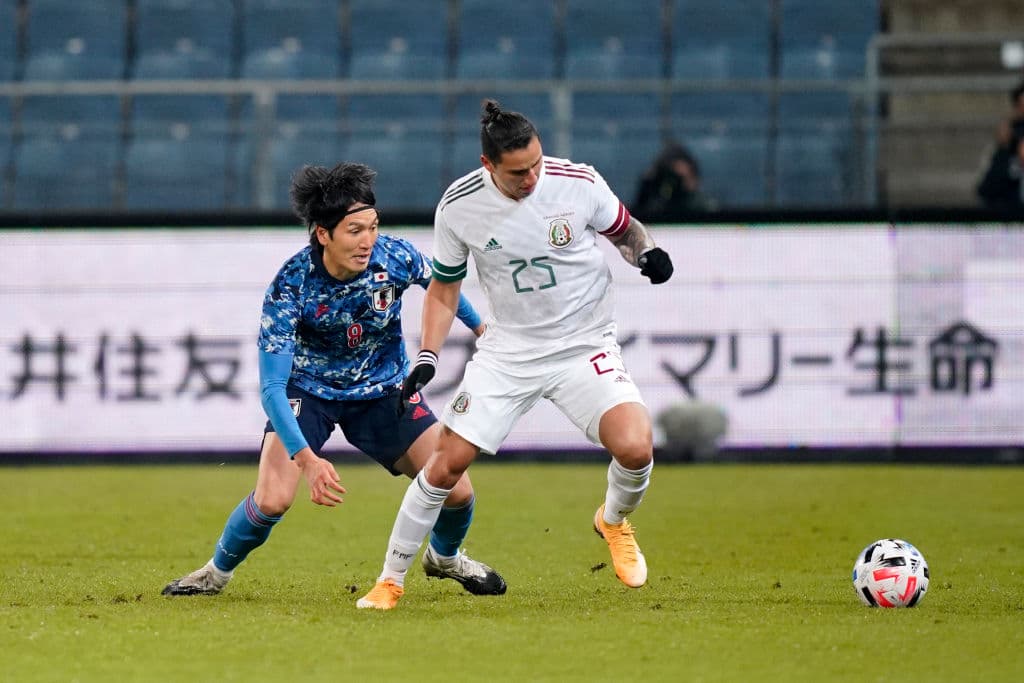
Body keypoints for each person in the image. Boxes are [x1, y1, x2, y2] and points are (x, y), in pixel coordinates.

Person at [356, 100, 674, 610]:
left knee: (636, 448)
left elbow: (627, 231)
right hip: (509, 353)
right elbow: (442, 289)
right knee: (444, 466)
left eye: (537, 164)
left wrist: (648, 253)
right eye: (519, 172)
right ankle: (390, 581)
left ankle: (611, 521)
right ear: (489, 166)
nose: (532, 178)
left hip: (583, 344)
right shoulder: (459, 206)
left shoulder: (579, 182)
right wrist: (428, 355)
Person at [162, 162, 506, 598]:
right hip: (309, 392)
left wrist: (482, 332)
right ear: (323, 234)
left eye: (373, 227)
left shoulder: (394, 257)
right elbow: (271, 388)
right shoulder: (291, 285)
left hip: (383, 391)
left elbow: (443, 288)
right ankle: (215, 573)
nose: (368, 241)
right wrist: (307, 460)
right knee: (272, 499)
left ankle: (445, 557)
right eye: (354, 230)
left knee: (455, 489)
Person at [632, 141, 715, 221]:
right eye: (672, 177)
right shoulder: (654, 205)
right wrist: (648, 185)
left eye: (680, 178)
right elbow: (638, 216)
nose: (676, 183)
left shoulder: (705, 209)